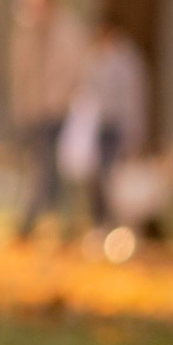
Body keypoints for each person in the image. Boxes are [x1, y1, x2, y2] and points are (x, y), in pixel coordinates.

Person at [9, 0, 86, 242]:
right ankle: (50, 221)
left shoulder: (68, 30)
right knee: (42, 167)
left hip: (59, 111)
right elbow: (21, 73)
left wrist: (64, 101)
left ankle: (36, 221)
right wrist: (22, 106)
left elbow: (75, 71)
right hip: (34, 110)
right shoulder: (27, 30)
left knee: (51, 168)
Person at [68, 20, 149, 230]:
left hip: (117, 126)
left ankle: (116, 222)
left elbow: (133, 99)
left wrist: (134, 132)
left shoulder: (127, 61)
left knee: (113, 177)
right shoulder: (91, 59)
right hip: (95, 127)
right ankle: (99, 221)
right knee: (94, 176)